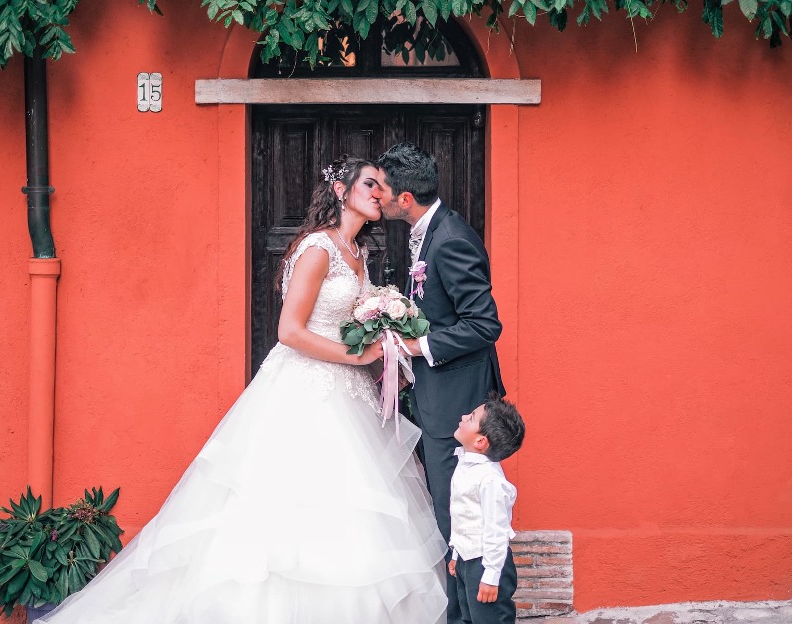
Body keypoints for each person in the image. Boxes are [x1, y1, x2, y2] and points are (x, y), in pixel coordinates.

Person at [36, 155, 448, 624]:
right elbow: (290, 332)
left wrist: (378, 334)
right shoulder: (318, 249)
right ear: (341, 191)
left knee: (350, 514)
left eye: (384, 187)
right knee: (287, 507)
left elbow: (343, 322)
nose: (380, 193)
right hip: (306, 393)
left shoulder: (359, 253)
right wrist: (361, 355)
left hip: (348, 391)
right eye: (371, 184)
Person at [376, 142, 506, 623]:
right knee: (452, 514)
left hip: (458, 402)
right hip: (438, 395)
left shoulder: (451, 239)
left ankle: (475, 615)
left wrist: (416, 347)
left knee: (463, 516)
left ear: (405, 197)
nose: (379, 198)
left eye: (384, 190)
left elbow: (484, 324)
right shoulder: (425, 232)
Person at [447, 394, 525, 624]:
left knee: (491, 619)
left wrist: (491, 576)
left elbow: (496, 530)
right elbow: (462, 515)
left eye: (470, 418)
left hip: (486, 564)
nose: (463, 417)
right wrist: (456, 554)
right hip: (466, 559)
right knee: (468, 618)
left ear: (480, 441)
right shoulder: (465, 464)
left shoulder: (490, 480)